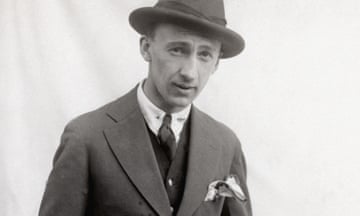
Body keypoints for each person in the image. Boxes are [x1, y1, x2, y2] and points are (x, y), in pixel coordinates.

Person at [39, 0, 252, 215]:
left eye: (205, 55)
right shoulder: (86, 138)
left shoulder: (226, 144)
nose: (189, 72)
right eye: (177, 50)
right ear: (146, 48)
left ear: (216, 63)